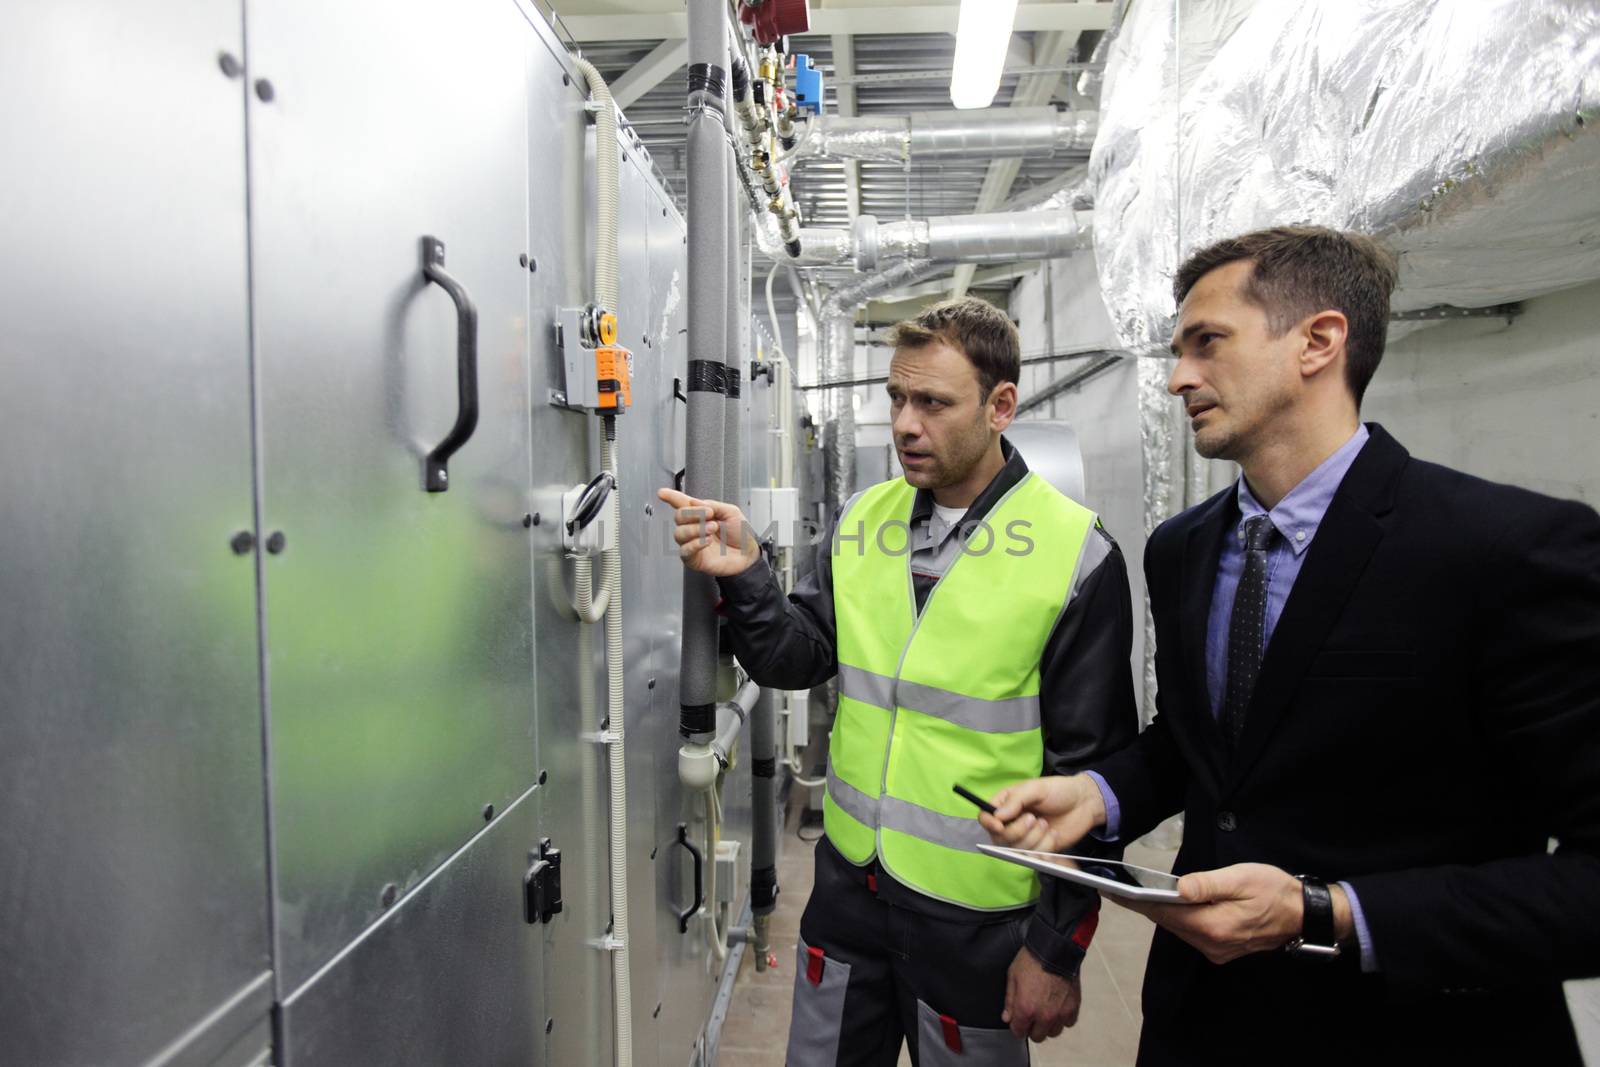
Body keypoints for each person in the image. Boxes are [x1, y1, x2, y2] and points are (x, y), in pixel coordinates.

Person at [982, 225, 1600, 1063]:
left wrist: (1328, 910)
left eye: (1208, 343)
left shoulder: (1505, 551)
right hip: (1204, 1022)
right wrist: (1099, 793)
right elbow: (1203, 746)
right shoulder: (1184, 547)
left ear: (1319, 341)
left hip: (1413, 1031)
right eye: (1176, 350)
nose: (1177, 378)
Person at [658, 297, 1139, 1064]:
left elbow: (1093, 779)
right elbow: (798, 656)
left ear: (1000, 406)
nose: (906, 424)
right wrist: (747, 574)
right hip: (851, 893)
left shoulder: (1075, 557)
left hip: (977, 920)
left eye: (934, 403)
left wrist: (1054, 949)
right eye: (896, 397)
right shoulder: (863, 520)